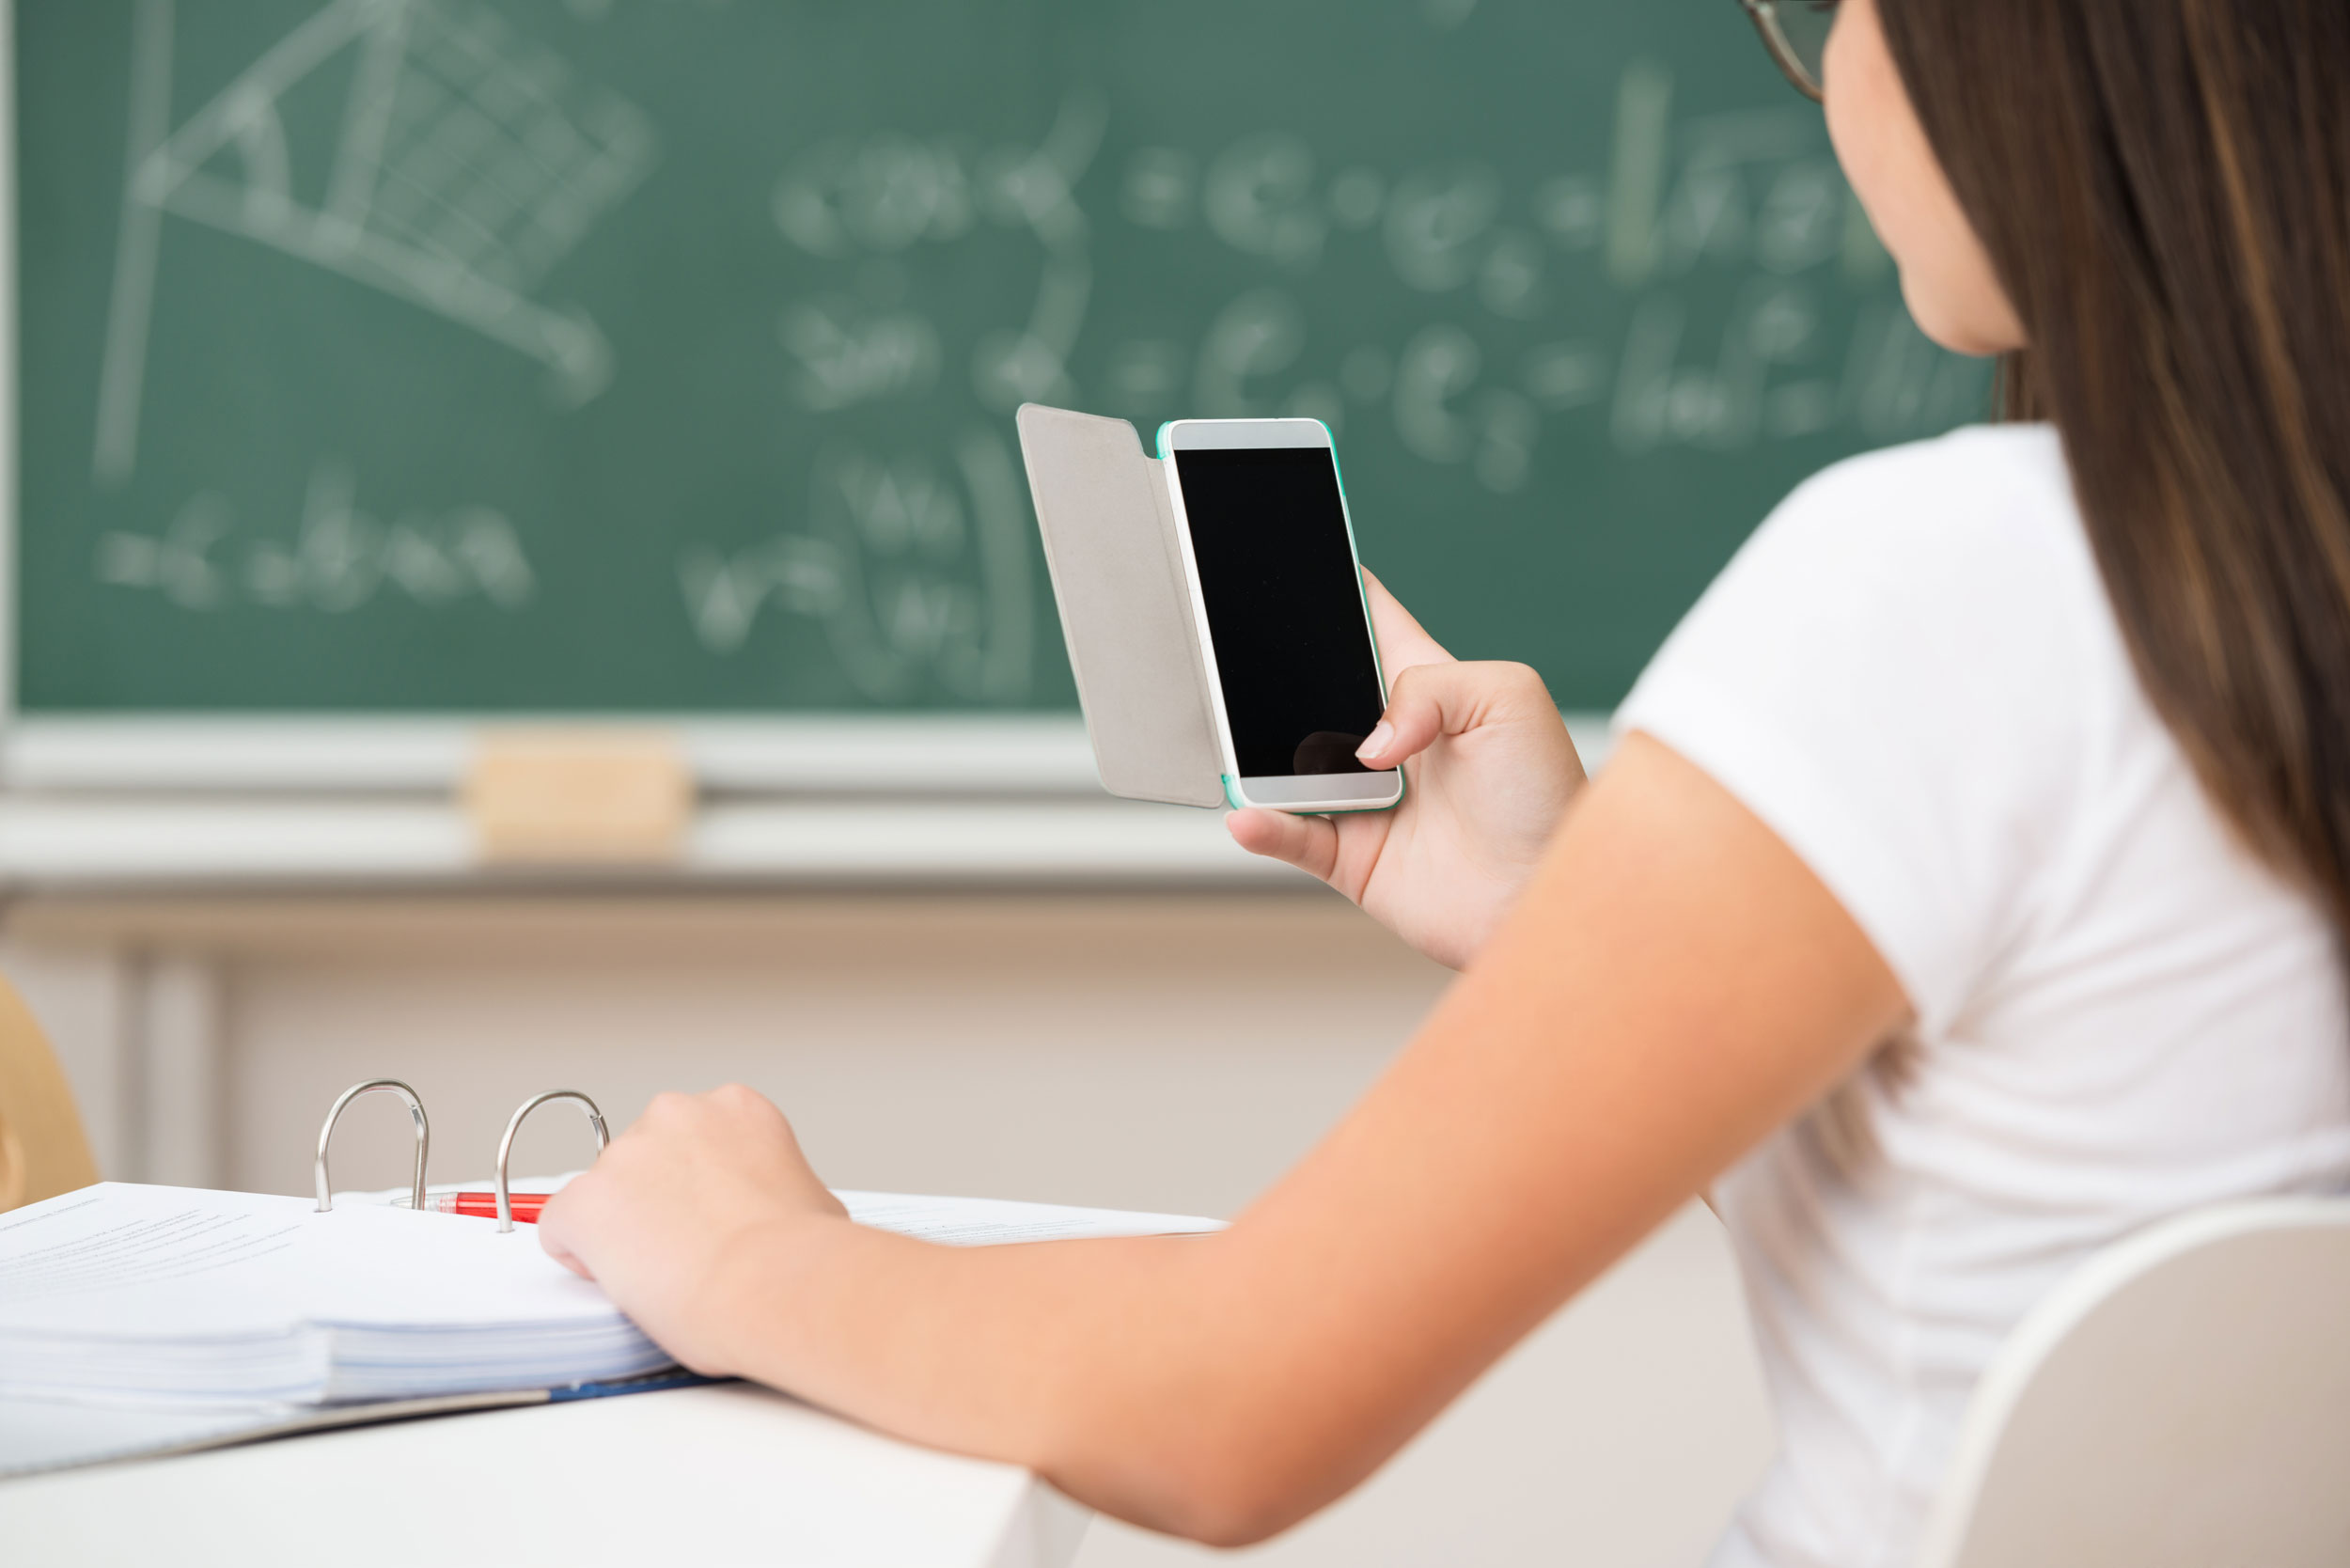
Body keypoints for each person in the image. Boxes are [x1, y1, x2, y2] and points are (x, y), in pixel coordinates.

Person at [537, 0, 2350, 1561]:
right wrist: (1572, 924)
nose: (1836, 71)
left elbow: (1228, 1405)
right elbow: (2054, 1199)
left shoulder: (1948, 588)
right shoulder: (2244, 606)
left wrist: (750, 1257)